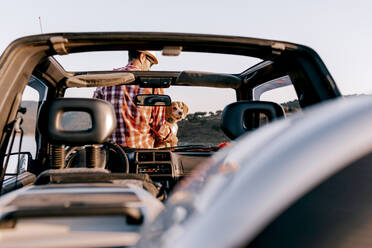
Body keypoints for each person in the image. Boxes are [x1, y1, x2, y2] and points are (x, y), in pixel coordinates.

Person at [93, 50, 174, 148]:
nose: (149, 69)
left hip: (110, 153)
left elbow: (95, 118)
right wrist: (172, 137)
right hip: (141, 153)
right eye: (150, 64)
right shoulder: (153, 85)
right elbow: (159, 126)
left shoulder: (106, 79)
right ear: (142, 57)